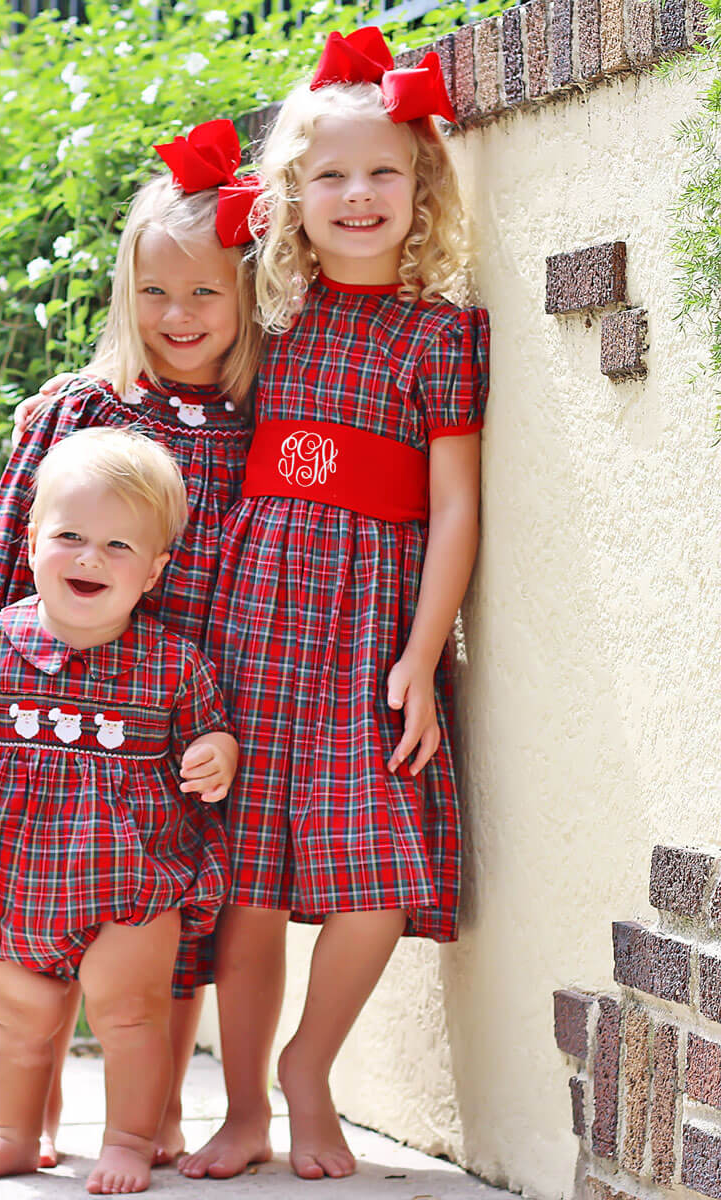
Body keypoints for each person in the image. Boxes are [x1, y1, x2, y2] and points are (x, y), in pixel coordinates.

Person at [178, 28, 489, 1182]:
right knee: (249, 879)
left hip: (369, 631)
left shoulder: (444, 334)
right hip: (256, 622)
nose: (359, 196)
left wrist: (422, 649)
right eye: (331, 176)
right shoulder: (269, 320)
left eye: (384, 173)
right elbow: (169, 365)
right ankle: (251, 1107)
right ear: (291, 197)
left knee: (384, 864)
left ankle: (314, 1067)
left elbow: (453, 509)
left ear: (422, 189)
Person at [0, 118, 263, 1168]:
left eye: (204, 294)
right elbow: (13, 554)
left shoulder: (253, 415)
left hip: (185, 704)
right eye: (154, 293)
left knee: (170, 929)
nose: (179, 316)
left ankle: (155, 1117)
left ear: (246, 299)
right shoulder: (82, 412)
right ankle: (29, 1120)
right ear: (122, 297)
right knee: (37, 931)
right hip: (67, 705)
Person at [0, 428, 239, 1194]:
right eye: (71, 536)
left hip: (134, 877)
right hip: (16, 872)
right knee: (16, 1020)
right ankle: (14, 1136)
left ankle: (127, 1139)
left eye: (118, 547)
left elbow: (209, 731)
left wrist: (218, 754)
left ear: (154, 571)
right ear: (33, 540)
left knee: (130, 1013)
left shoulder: (173, 663)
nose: (89, 558)